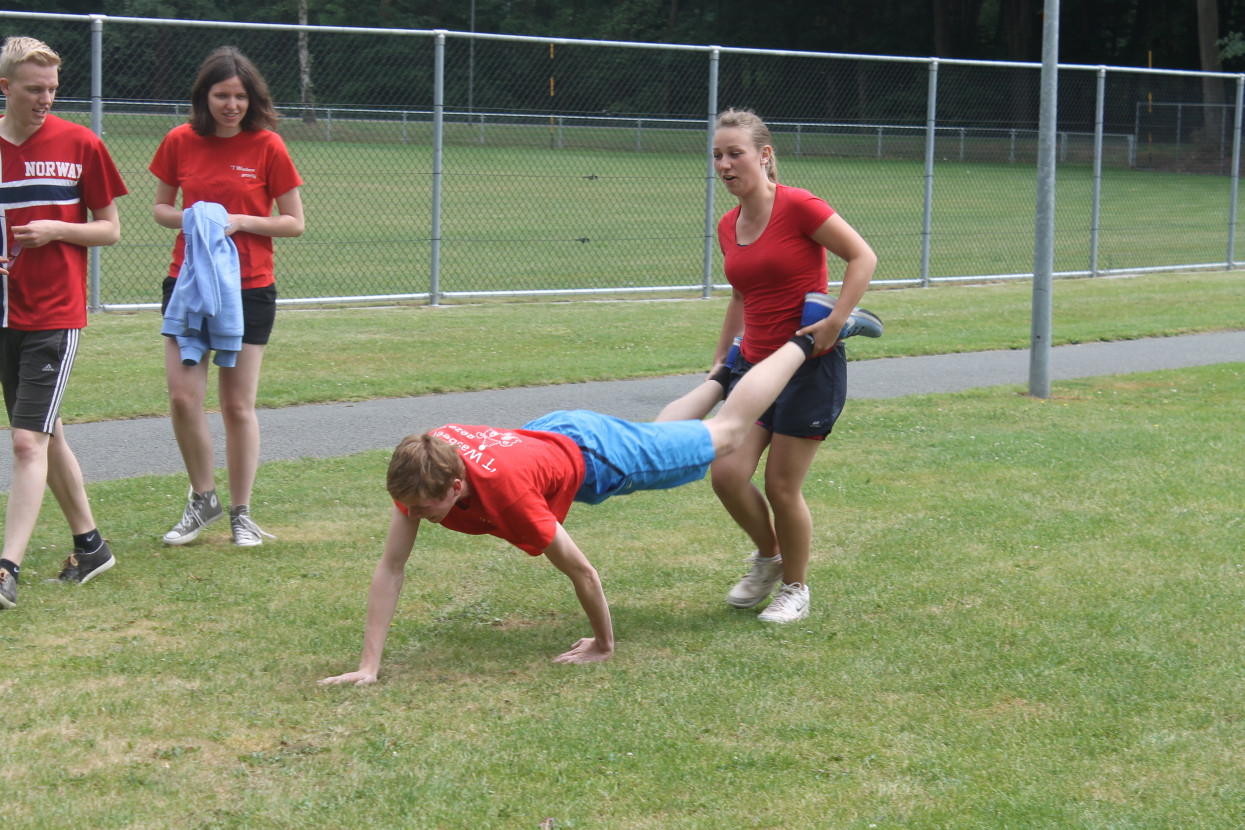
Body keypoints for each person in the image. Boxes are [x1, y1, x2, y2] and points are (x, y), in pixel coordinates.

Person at [319, 331, 835, 685]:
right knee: (663, 434)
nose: (416, 515)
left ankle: (805, 341)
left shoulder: (508, 496)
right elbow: (391, 566)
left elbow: (583, 572)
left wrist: (604, 644)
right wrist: (369, 666)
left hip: (596, 455)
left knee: (725, 435)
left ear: (456, 486)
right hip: (549, 433)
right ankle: (728, 371)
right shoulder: (421, 464)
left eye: (427, 509)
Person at [705, 108, 877, 624]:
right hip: (754, 370)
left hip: (808, 369)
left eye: (735, 153)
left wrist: (836, 321)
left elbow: (862, 256)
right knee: (726, 473)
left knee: (782, 485)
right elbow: (740, 295)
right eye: (717, 155)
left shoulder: (800, 207)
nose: (725, 164)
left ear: (765, 156)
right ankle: (770, 557)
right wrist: (720, 357)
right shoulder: (728, 225)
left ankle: (795, 589)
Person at [149, 46, 304, 548]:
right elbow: (160, 210)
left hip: (251, 290)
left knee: (237, 406)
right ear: (205, 96)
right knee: (182, 398)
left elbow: (294, 222)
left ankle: (242, 511)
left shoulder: (268, 146)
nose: (230, 105)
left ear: (251, 99)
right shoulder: (180, 140)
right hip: (188, 285)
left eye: (239, 96)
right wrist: (197, 217)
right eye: (221, 95)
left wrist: (237, 221)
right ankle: (203, 498)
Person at [0, 36, 129, 609]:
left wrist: (58, 230)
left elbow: (110, 227)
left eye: (52, 88)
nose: (46, 98)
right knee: (46, 432)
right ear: (5, 88)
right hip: (5, 315)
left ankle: (6, 569)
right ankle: (91, 545)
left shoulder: (80, 144)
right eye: (34, 89)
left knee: (28, 441)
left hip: (54, 315)